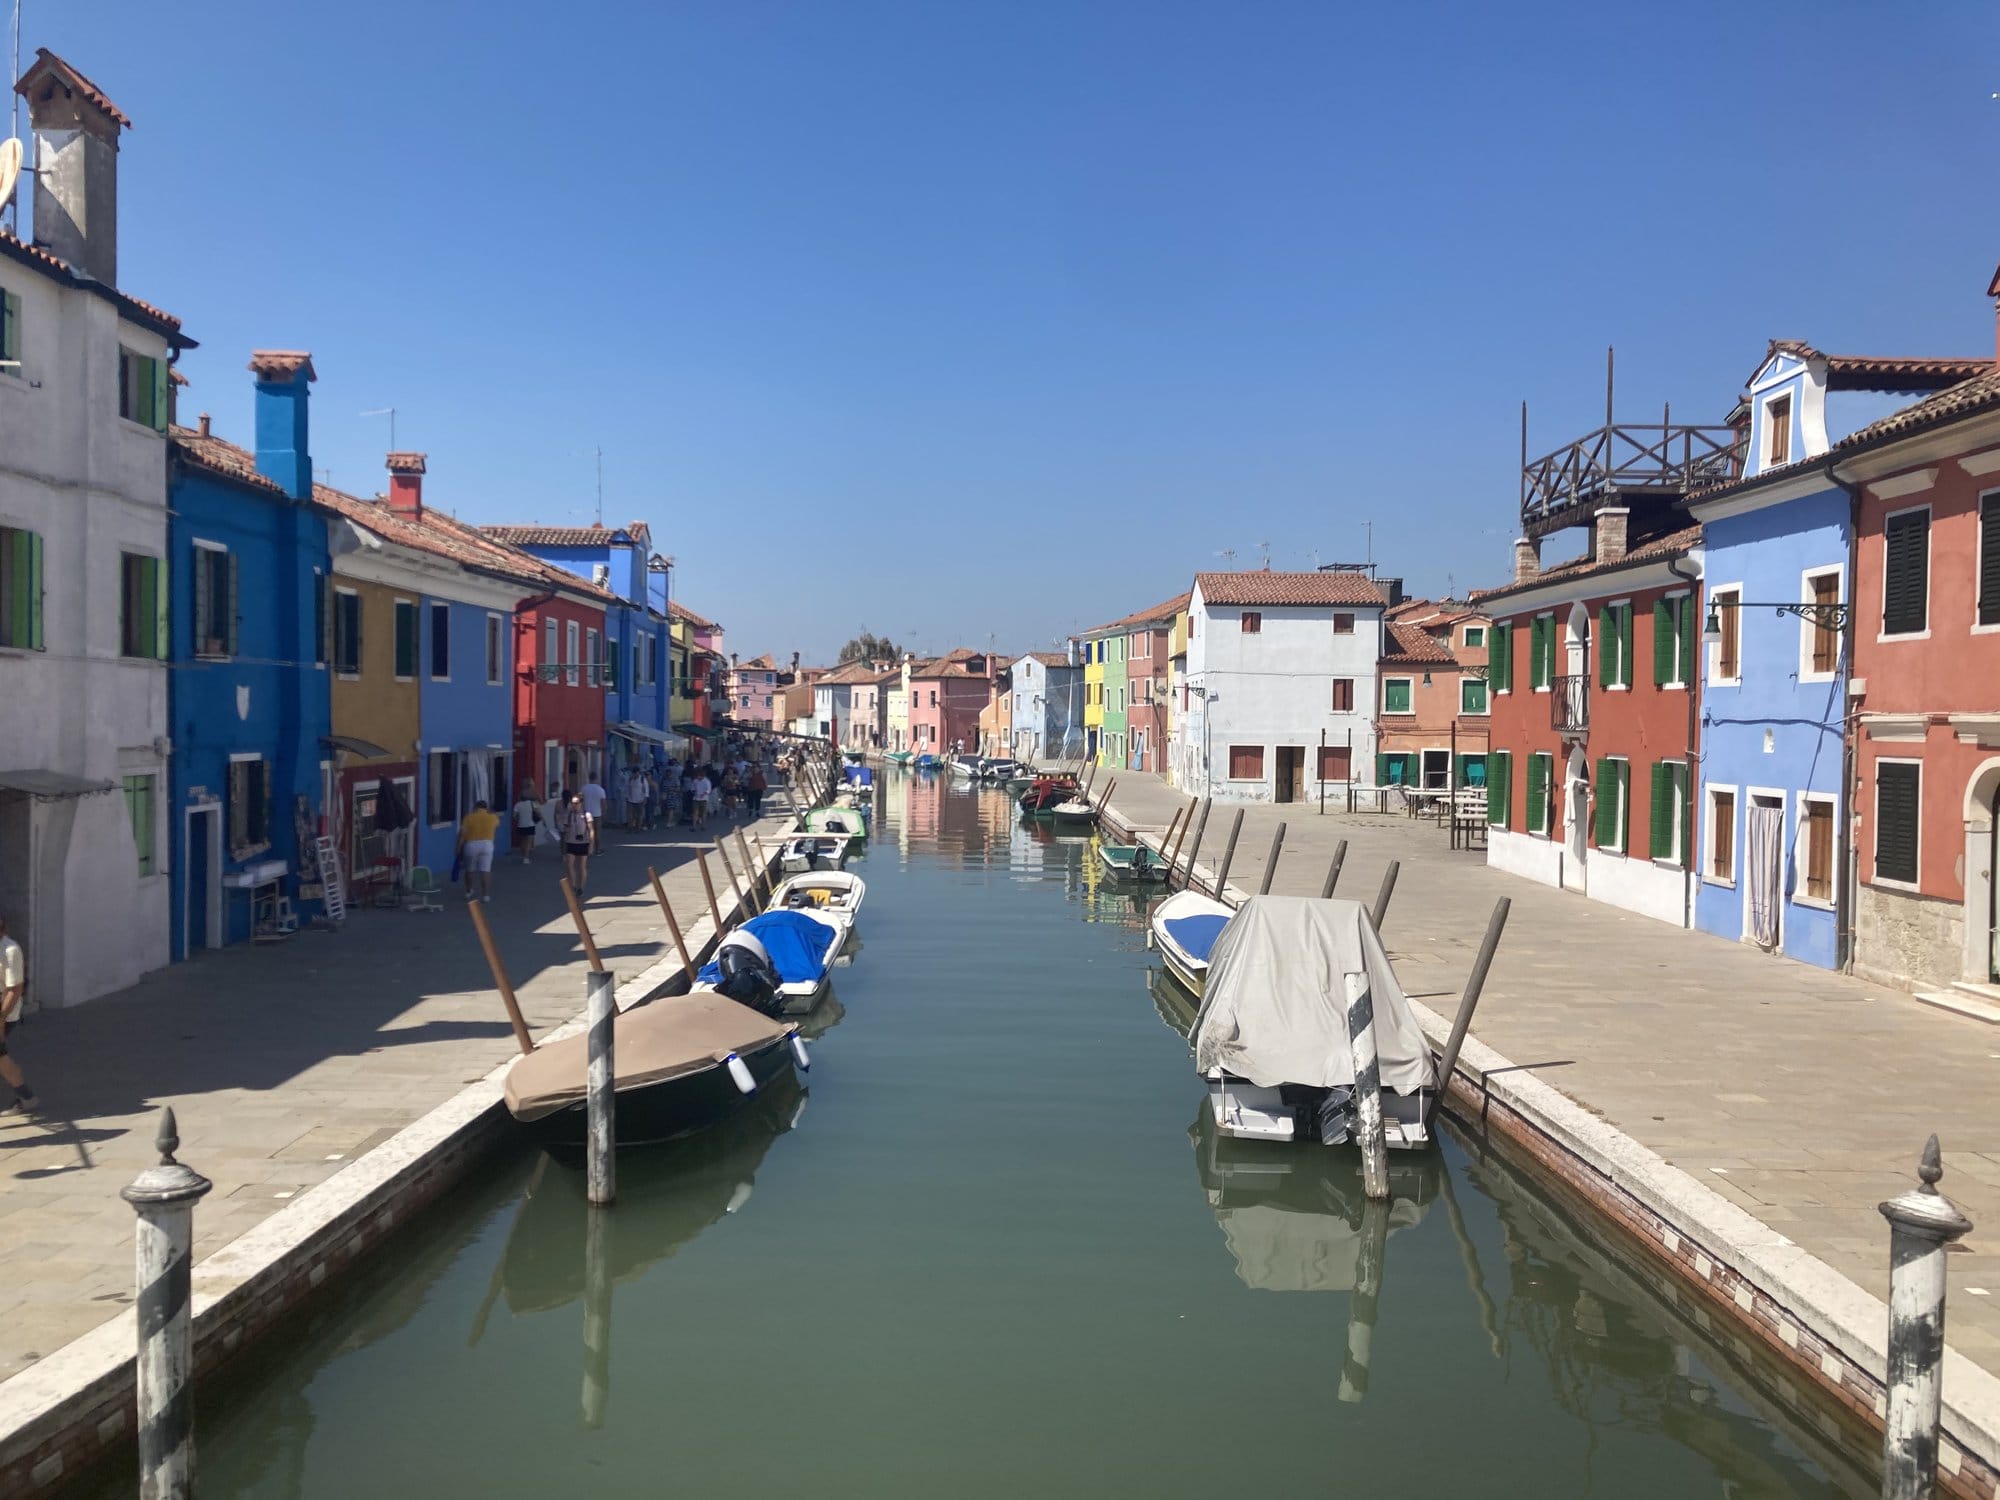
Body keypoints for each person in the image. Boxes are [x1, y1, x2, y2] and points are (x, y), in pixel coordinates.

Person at [0, 916, 36, 1116]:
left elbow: (15, 989)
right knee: (1, 1059)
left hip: (5, 1013)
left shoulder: (10, 951)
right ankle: (26, 1097)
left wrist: (1, 1018)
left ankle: (26, 1097)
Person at [457, 799, 501, 902]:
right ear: (486, 808)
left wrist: (458, 848)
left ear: (475, 807)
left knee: (470, 870)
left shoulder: (469, 817)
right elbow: (497, 823)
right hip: (487, 844)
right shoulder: (492, 817)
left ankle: (469, 891)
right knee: (485, 870)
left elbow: (462, 834)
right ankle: (485, 895)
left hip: (471, 844)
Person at [554, 792, 594, 892]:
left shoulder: (586, 814)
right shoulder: (569, 814)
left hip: (583, 843)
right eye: (572, 803)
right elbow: (566, 828)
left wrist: (591, 844)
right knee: (569, 865)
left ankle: (581, 887)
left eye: (576, 803)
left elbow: (591, 830)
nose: (574, 805)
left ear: (581, 803)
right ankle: (573, 885)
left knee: (581, 866)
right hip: (571, 842)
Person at [512, 781, 542, 864]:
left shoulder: (518, 803)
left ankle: (524, 853)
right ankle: (526, 856)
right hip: (530, 822)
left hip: (521, 823)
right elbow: (540, 805)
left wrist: (518, 819)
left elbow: (514, 816)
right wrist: (542, 819)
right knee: (529, 840)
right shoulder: (534, 795)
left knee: (523, 839)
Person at [579, 771, 607, 853]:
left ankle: (586, 849)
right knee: (596, 832)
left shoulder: (584, 788)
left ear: (589, 778)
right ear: (596, 778)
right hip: (597, 814)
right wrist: (604, 812)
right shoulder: (600, 790)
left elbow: (580, 800)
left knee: (586, 832)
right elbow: (604, 803)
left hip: (586, 813)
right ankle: (597, 849)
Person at [688, 766, 712, 831]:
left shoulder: (706, 781)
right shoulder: (695, 781)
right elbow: (692, 788)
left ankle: (703, 825)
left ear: (702, 776)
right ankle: (694, 826)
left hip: (704, 799)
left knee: (703, 813)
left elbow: (708, 790)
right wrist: (693, 791)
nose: (698, 777)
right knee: (695, 812)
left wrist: (704, 794)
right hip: (696, 798)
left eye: (699, 776)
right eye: (697, 776)